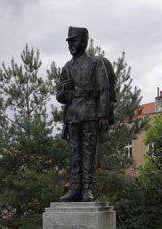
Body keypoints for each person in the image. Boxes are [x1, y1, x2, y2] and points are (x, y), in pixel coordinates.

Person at [56, 26, 110, 202]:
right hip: (73, 115)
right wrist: (66, 90)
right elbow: (60, 96)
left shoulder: (95, 63)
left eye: (74, 40)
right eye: (69, 41)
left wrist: (103, 115)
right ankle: (75, 188)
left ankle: (87, 188)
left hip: (90, 113)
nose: (71, 44)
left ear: (84, 42)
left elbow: (104, 90)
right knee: (75, 154)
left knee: (88, 152)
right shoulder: (67, 67)